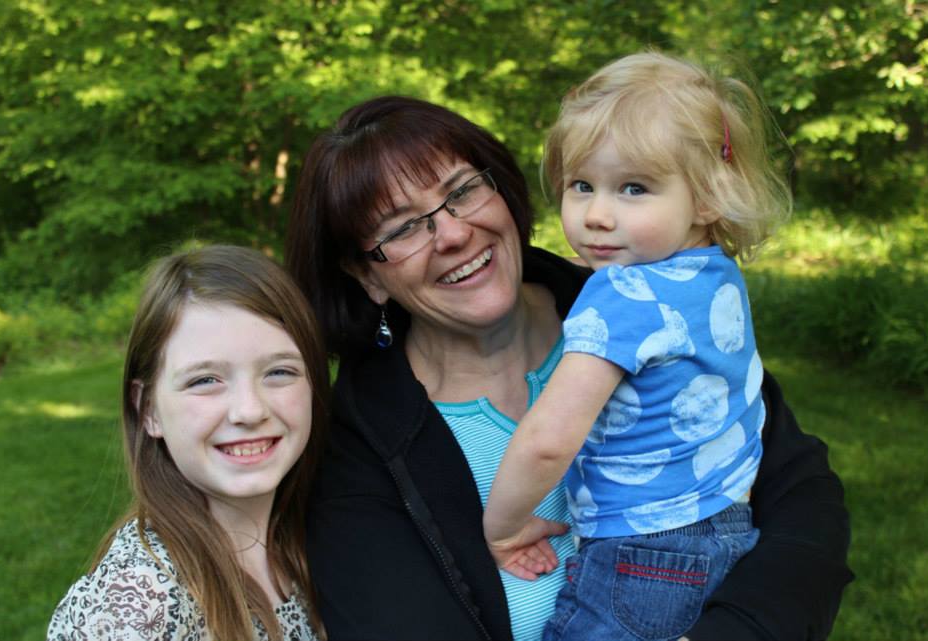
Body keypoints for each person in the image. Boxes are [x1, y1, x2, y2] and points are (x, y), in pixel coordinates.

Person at [286, 95, 853, 641]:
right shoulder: (353, 448)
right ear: (365, 276)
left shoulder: (633, 307)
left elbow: (804, 502)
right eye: (403, 228)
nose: (454, 234)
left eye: (462, 191)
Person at [481, 51, 790, 641]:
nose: (596, 215)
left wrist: (504, 526)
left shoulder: (619, 297)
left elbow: (547, 442)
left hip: (641, 550)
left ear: (707, 199)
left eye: (633, 188)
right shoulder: (711, 271)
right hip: (723, 522)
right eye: (581, 185)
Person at [48, 246, 328, 641]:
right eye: (205, 380)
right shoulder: (139, 605)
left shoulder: (312, 540)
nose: (249, 411)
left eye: (279, 372)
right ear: (148, 410)